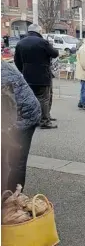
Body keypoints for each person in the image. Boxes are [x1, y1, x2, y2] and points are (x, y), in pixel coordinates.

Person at [1, 62, 41, 192]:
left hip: (23, 117)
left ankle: (13, 200)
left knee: (16, 161)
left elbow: (8, 113)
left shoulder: (2, 76)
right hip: (12, 114)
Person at [14, 24, 58, 129]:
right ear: (39, 31)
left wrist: (24, 70)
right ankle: (44, 121)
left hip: (27, 76)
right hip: (43, 75)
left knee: (30, 98)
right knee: (44, 98)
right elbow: (55, 54)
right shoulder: (42, 42)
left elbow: (17, 60)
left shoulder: (20, 43)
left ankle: (32, 118)